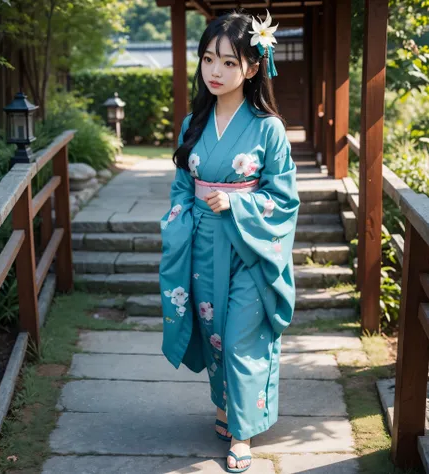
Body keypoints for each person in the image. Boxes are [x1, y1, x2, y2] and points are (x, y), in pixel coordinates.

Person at [159, 9, 300, 473]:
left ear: (253, 68)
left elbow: (283, 198)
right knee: (214, 331)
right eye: (207, 60)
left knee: (242, 337)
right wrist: (183, 217)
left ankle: (242, 433)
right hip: (202, 243)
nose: (215, 72)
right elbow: (182, 188)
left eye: (228, 62)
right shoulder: (192, 124)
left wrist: (238, 204)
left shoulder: (268, 128)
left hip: (251, 250)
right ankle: (225, 405)